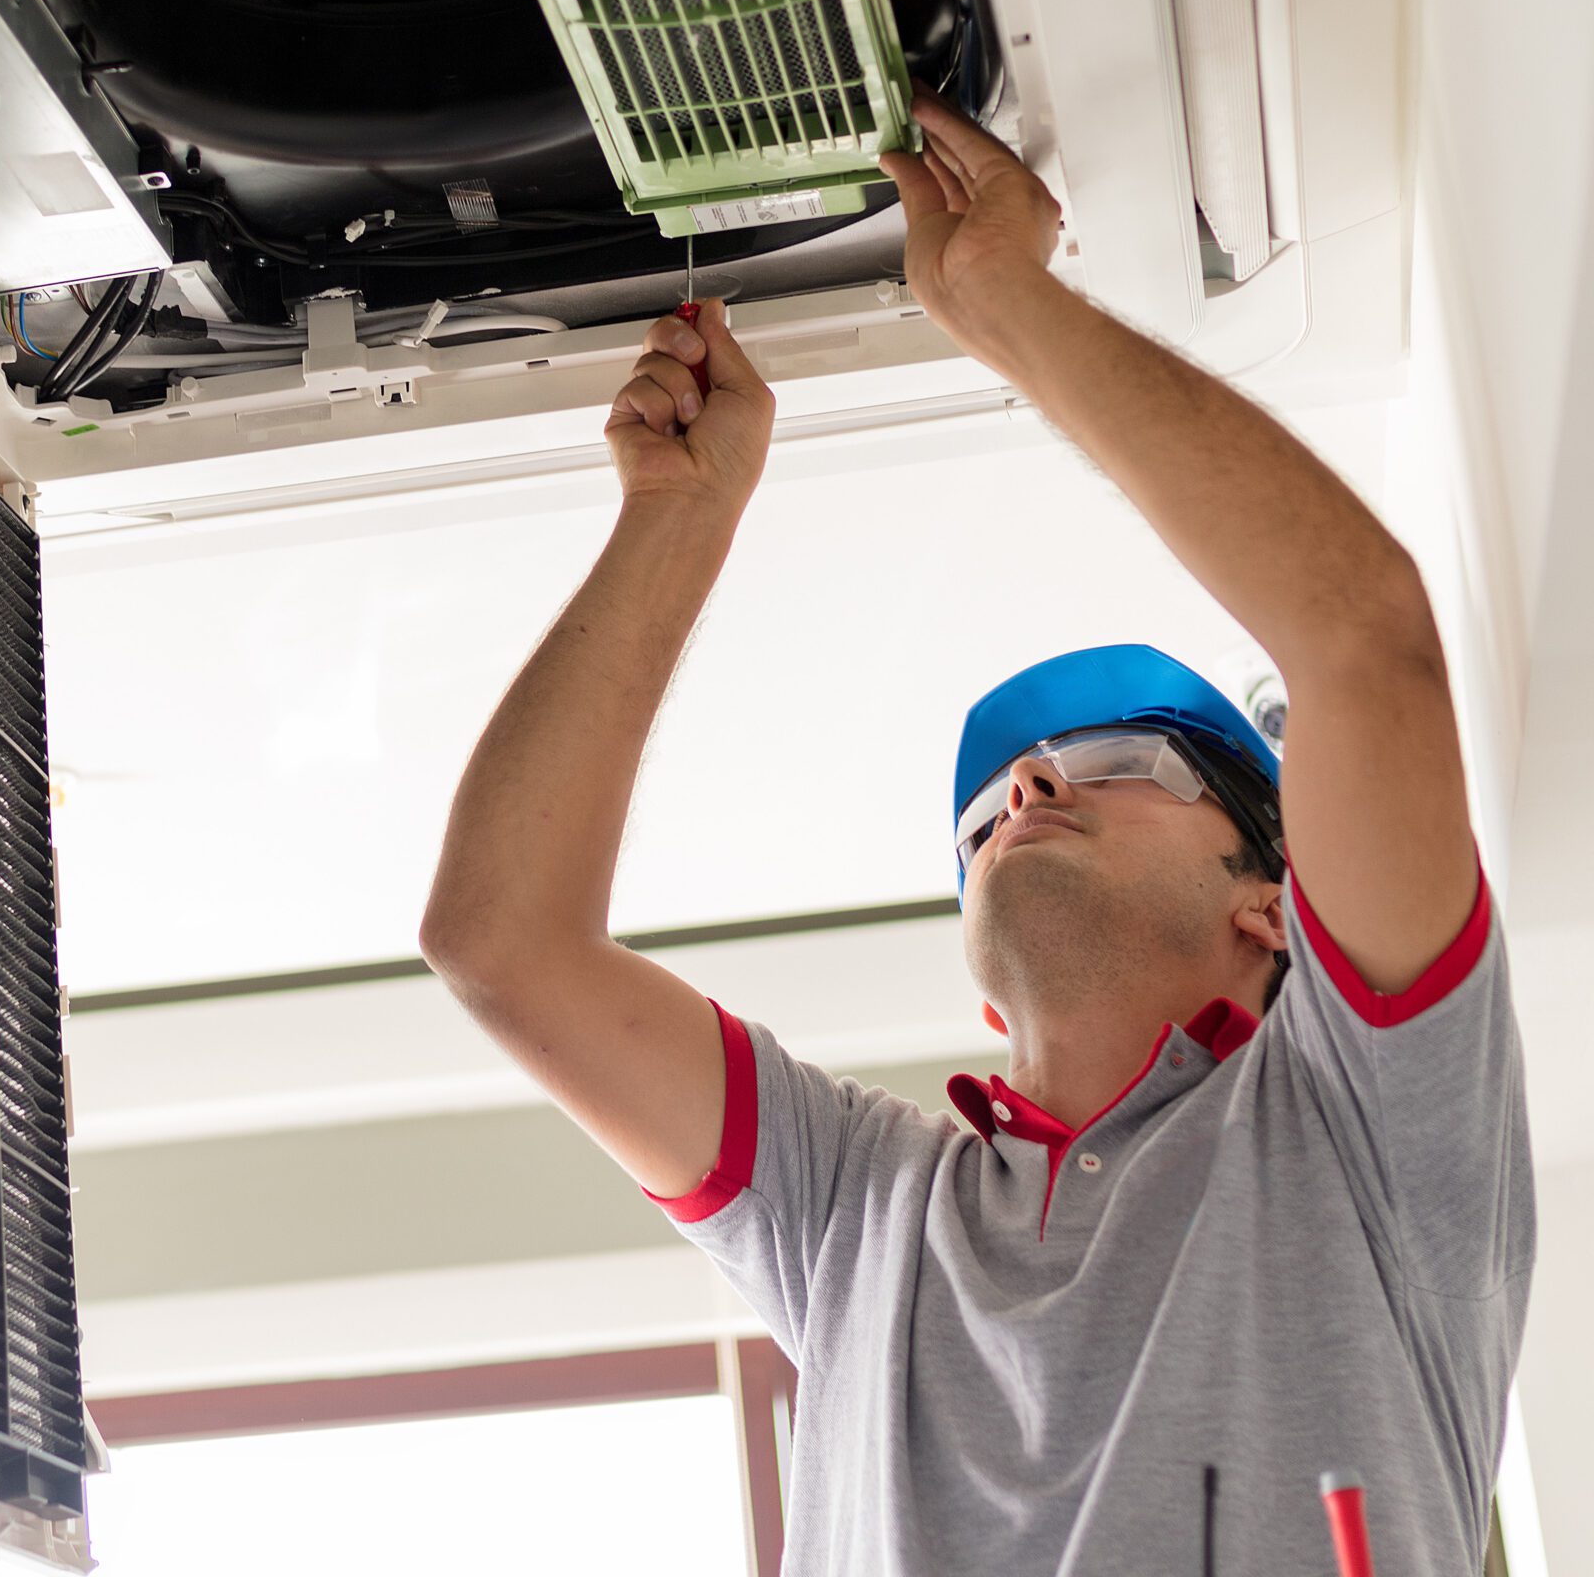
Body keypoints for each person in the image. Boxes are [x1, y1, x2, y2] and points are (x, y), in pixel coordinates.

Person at [420, 93, 1533, 1575]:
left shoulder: (1370, 1128)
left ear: (1274, 907)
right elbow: (501, 943)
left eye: (1121, 761)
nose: (1026, 790)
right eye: (998, 802)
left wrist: (1003, 301)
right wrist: (673, 517)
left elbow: (1363, 644)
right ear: (985, 986)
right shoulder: (859, 1212)